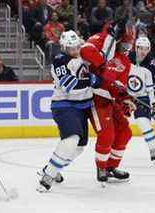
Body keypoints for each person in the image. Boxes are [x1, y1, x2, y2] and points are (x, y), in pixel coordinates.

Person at [37, 31, 101, 191]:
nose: (74, 50)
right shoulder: (60, 61)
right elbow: (70, 86)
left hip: (83, 107)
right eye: (70, 48)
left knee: (79, 146)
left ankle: (50, 168)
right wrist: (91, 80)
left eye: (76, 47)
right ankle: (48, 177)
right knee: (71, 140)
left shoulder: (85, 54)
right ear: (64, 47)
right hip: (64, 105)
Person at [80, 22, 135, 183]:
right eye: (124, 44)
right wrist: (108, 37)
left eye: (129, 46)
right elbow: (85, 49)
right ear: (117, 41)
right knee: (107, 134)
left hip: (110, 100)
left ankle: (111, 166)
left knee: (125, 131)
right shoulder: (103, 45)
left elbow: (121, 87)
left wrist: (125, 100)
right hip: (95, 98)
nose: (126, 49)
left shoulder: (125, 62)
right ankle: (101, 167)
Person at [129, 36, 155, 166]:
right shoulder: (125, 58)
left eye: (146, 49)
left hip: (142, 97)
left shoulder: (151, 65)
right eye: (140, 48)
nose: (143, 51)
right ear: (135, 47)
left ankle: (153, 149)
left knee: (143, 122)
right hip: (123, 96)